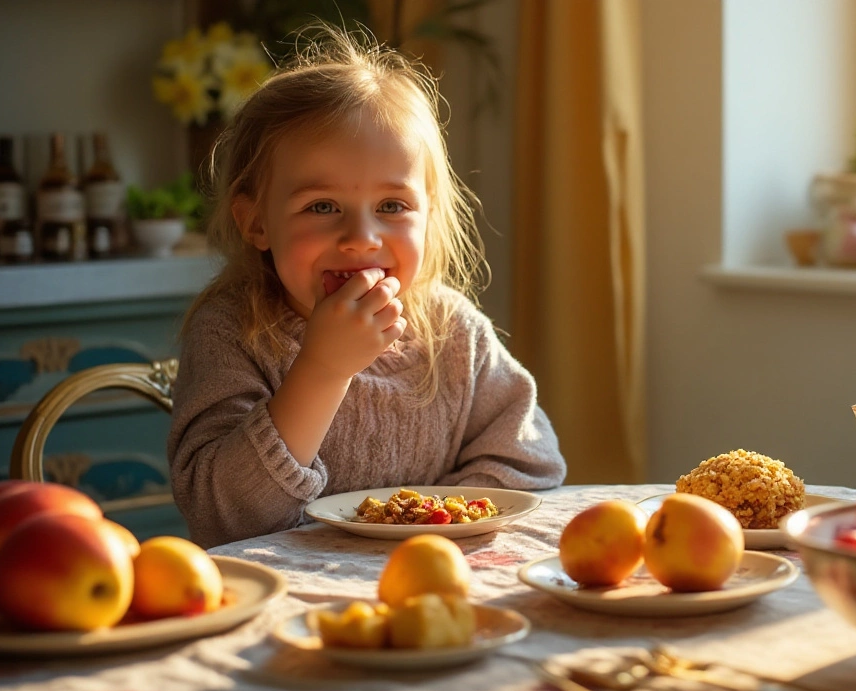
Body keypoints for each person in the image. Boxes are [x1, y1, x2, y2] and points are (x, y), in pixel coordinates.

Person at [168, 25, 565, 548]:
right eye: (322, 207)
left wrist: (424, 524)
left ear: (428, 216)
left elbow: (530, 461)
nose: (361, 238)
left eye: (392, 207)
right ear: (256, 222)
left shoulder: (452, 330)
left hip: (429, 584)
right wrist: (323, 370)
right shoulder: (231, 332)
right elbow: (223, 518)